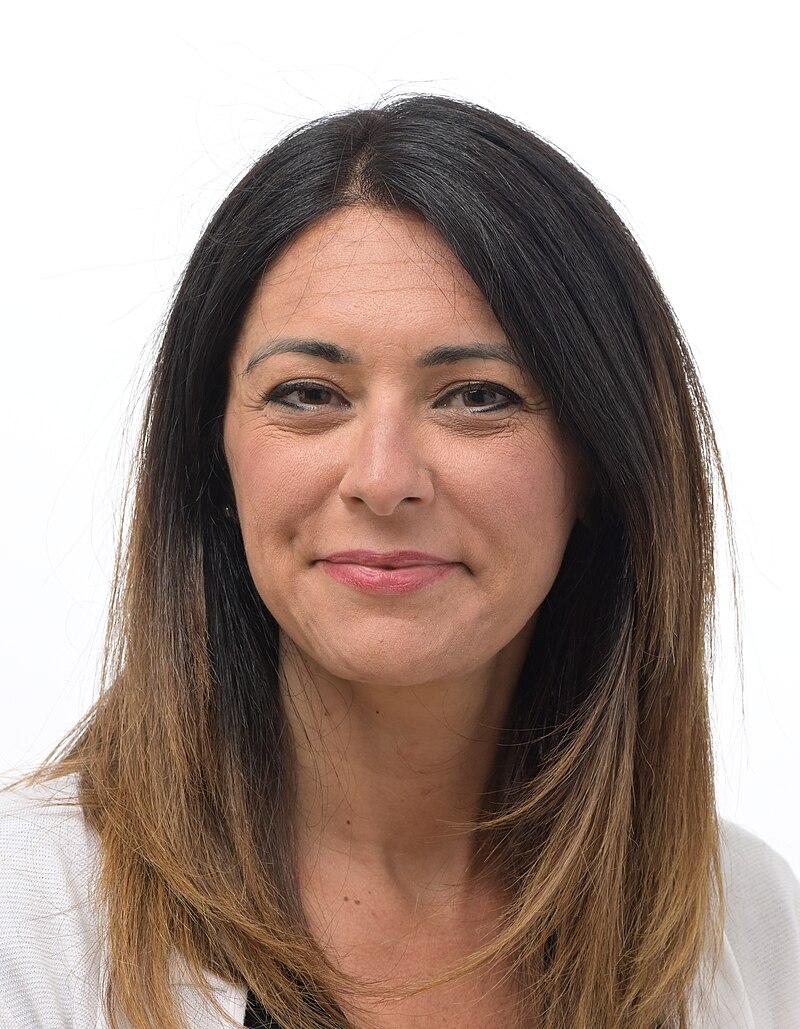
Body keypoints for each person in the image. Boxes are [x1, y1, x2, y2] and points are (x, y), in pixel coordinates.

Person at [1, 94, 798, 1029]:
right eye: (308, 394)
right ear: (214, 454)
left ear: (601, 461)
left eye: (476, 396)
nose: (383, 481)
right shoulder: (26, 922)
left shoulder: (751, 924)